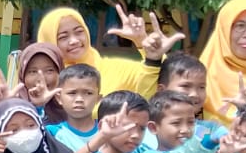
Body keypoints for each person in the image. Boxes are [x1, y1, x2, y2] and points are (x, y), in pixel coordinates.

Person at [34, 7, 164, 98]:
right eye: (63, 37)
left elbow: (164, 75)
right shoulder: (45, 80)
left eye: (79, 32)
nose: (74, 41)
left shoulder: (114, 69)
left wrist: (141, 41)